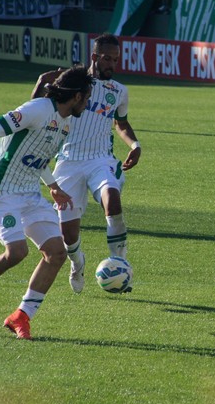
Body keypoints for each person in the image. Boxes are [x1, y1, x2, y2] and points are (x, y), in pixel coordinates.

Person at [0, 66, 93, 340]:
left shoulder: (65, 121)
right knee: (17, 252)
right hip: (2, 193)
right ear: (77, 96)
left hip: (31, 194)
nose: (88, 103)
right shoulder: (38, 109)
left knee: (56, 253)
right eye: (87, 97)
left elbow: (37, 157)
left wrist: (53, 186)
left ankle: (21, 316)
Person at [31, 34, 141, 294]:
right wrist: (40, 83)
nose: (112, 64)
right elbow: (39, 107)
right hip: (68, 162)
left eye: (115, 59)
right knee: (68, 234)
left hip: (101, 159)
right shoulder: (71, 82)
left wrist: (135, 146)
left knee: (112, 200)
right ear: (94, 57)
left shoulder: (119, 91)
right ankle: (77, 263)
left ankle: (119, 264)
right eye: (107, 59)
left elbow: (121, 123)